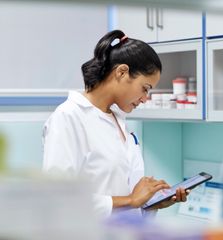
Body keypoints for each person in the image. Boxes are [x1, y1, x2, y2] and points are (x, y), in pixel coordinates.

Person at [42, 30, 188, 218]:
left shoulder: (118, 119)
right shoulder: (68, 118)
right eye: (145, 89)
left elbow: (127, 194)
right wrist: (131, 200)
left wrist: (150, 203)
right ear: (121, 72)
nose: (145, 99)